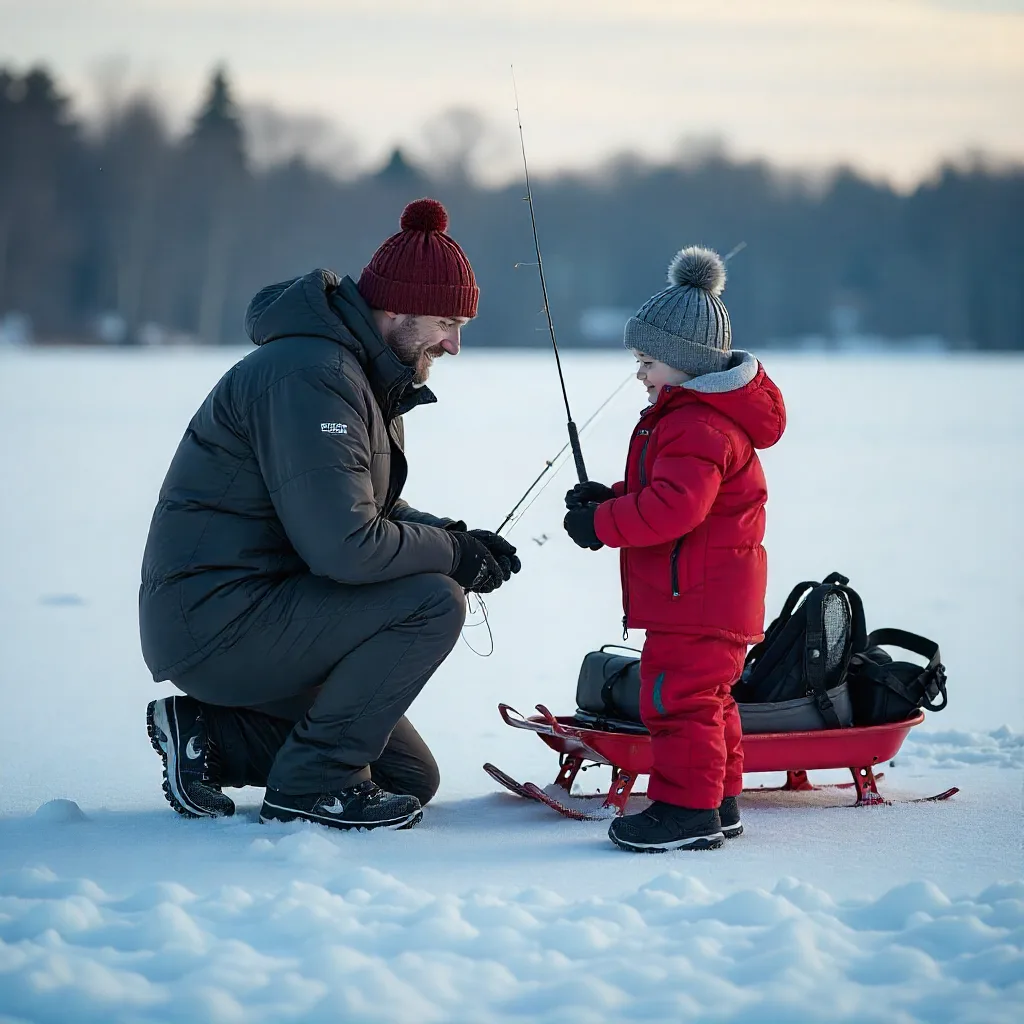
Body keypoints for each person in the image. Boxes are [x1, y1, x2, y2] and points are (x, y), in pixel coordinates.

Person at [140, 198, 520, 832]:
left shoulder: (357, 371)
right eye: (447, 323)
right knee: (431, 599)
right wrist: (451, 557)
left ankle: (208, 736)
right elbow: (346, 545)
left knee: (406, 778)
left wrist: (456, 536)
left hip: (264, 610)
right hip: (219, 621)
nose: (454, 344)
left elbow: (362, 505)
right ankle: (312, 791)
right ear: (396, 310)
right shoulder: (310, 374)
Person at [563, 245, 786, 852]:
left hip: (697, 600)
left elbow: (672, 510)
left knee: (678, 703)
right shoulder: (692, 417)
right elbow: (670, 495)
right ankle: (718, 802)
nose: (639, 373)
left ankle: (684, 815)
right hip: (707, 598)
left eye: (648, 360)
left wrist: (602, 524)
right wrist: (605, 498)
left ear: (687, 362)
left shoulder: (698, 425)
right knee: (711, 703)